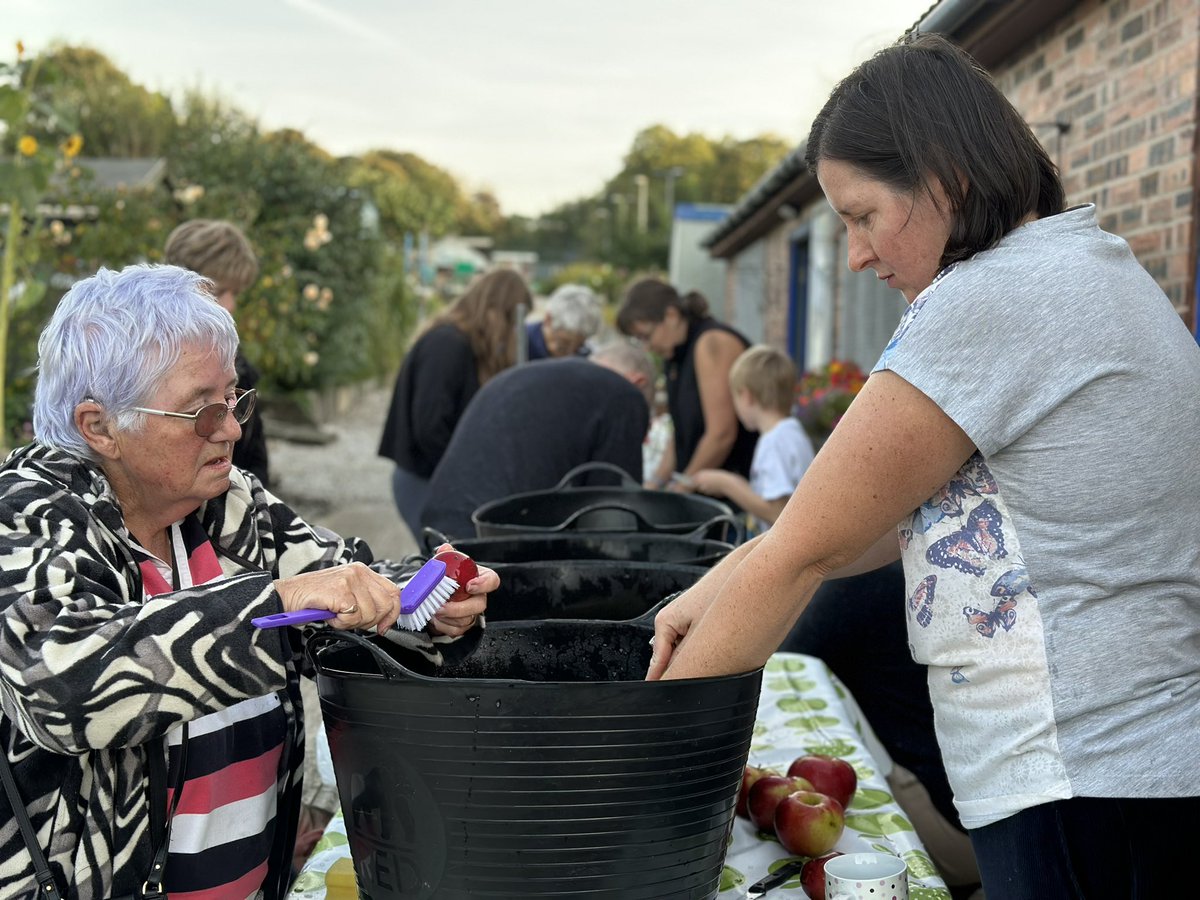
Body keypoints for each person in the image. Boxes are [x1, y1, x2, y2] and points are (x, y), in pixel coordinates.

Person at [644, 32, 1200, 899]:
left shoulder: (994, 295)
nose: (856, 254)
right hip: (1125, 765)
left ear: (946, 177)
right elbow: (856, 524)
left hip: (1081, 770)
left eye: (862, 215)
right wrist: (701, 597)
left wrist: (638, 758)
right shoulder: (1075, 268)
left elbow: (806, 552)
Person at [0, 264, 495, 898]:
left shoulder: (227, 506)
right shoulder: (28, 516)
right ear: (100, 427)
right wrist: (275, 603)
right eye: (201, 411)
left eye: (234, 399)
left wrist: (429, 599)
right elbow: (58, 688)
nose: (232, 429)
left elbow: (345, 581)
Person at [422, 341, 656, 541]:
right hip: (494, 535)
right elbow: (614, 514)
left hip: (441, 520)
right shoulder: (624, 394)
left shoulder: (531, 375)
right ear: (638, 382)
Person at [378, 268, 531, 537]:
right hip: (423, 478)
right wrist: (466, 475)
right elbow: (430, 425)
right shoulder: (447, 344)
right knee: (449, 558)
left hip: (432, 476)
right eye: (512, 322)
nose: (513, 333)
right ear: (495, 311)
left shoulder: (463, 343)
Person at [616, 278, 757, 489]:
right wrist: (655, 483)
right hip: (703, 486)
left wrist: (682, 487)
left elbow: (721, 434)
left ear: (671, 316)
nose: (646, 347)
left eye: (646, 336)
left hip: (735, 489)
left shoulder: (711, 342)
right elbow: (681, 433)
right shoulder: (674, 355)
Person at [164, 218, 271, 487]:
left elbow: (254, 459)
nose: (231, 304)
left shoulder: (232, 359)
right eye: (220, 292)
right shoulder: (155, 364)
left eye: (236, 293)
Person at [690, 344, 814, 535]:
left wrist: (727, 484)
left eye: (734, 398)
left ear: (746, 396)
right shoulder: (791, 433)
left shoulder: (774, 442)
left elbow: (777, 512)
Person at [525, 283, 603, 361]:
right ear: (548, 319)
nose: (570, 354)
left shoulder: (587, 353)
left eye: (579, 346)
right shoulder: (521, 343)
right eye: (564, 344)